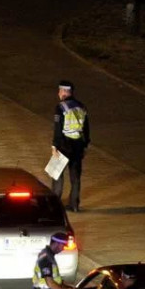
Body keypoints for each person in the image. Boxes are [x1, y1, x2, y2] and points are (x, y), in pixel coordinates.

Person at [50, 80, 90, 212]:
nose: (58, 93)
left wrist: (54, 146)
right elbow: (86, 128)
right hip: (78, 145)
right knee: (75, 177)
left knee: (57, 174)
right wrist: (85, 145)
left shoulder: (61, 107)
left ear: (63, 92)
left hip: (63, 144)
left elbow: (58, 128)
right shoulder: (81, 106)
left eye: (59, 91)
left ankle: (54, 205)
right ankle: (74, 205)